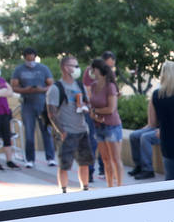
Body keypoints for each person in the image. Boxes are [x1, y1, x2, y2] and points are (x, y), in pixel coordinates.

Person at [45, 54, 93, 192]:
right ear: (66, 68)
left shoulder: (79, 85)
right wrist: (62, 132)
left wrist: (85, 106)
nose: (78, 69)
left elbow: (87, 103)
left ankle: (85, 188)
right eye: (75, 66)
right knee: (64, 164)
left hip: (81, 130)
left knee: (84, 163)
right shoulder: (56, 88)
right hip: (67, 131)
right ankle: (64, 190)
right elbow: (51, 113)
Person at [10, 47, 55, 167]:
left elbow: (51, 84)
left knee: (46, 130)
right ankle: (30, 159)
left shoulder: (43, 69)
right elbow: (13, 86)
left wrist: (41, 89)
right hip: (27, 103)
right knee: (29, 132)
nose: (30, 60)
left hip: (42, 102)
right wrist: (25, 90)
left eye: (32, 57)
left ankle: (50, 158)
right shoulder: (19, 70)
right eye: (28, 58)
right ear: (24, 58)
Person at [88, 58, 123, 187]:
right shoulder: (93, 86)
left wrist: (95, 111)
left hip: (111, 126)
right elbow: (91, 104)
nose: (91, 72)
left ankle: (119, 186)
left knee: (115, 159)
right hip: (98, 126)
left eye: (93, 69)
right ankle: (109, 186)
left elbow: (111, 108)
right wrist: (93, 114)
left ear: (98, 70)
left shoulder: (110, 86)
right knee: (105, 159)